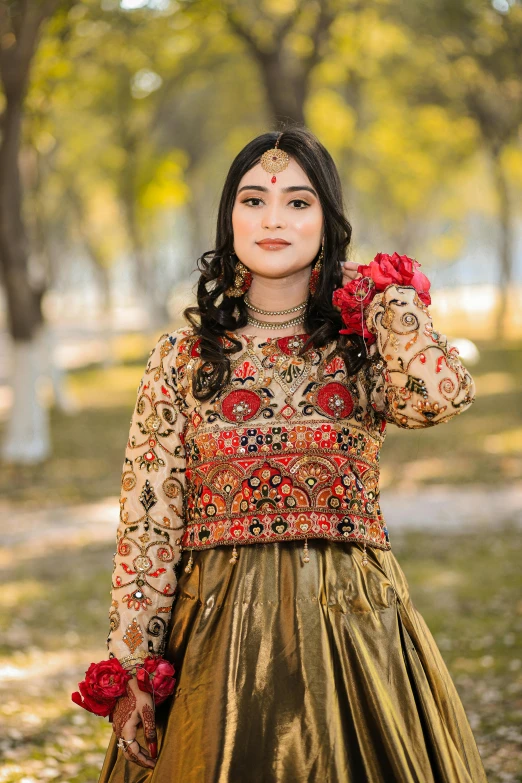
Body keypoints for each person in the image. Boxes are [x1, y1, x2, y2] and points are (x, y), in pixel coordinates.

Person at [88, 126, 487, 782]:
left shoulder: (362, 346)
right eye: (253, 200)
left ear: (328, 223)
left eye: (298, 202)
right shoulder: (181, 359)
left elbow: (442, 396)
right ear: (229, 219)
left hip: (358, 636)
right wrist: (134, 673)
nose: (273, 218)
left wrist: (389, 299)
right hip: (216, 648)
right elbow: (148, 524)